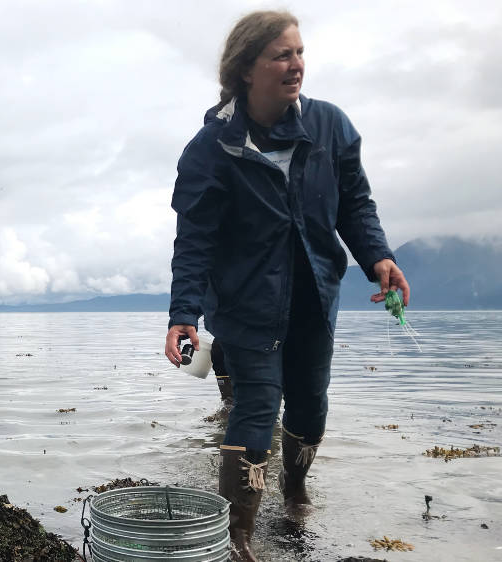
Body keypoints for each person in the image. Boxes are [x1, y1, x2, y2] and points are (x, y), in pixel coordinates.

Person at [163, 11, 410, 561]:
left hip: (315, 295)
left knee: (310, 406)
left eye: (299, 52)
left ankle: (295, 492)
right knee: (255, 404)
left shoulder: (330, 126)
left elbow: (355, 204)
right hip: (246, 301)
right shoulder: (209, 150)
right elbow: (194, 239)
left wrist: (378, 258)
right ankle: (239, 534)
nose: (295, 65)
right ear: (245, 69)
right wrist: (183, 313)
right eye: (280, 55)